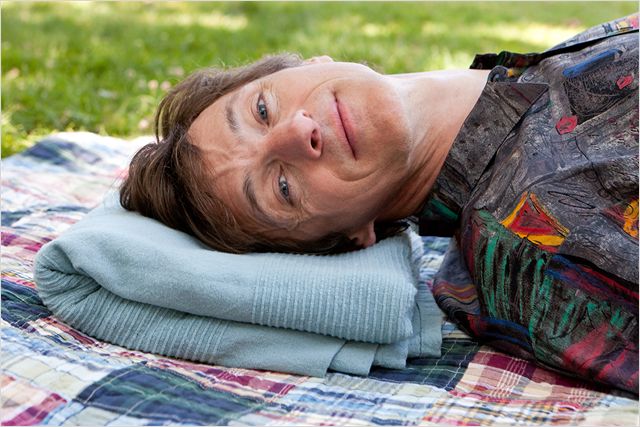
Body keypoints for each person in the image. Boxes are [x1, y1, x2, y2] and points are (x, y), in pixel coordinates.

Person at [120, 15, 639, 394]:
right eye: (282, 187)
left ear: (309, 64)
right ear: (352, 240)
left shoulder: (531, 83)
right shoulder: (533, 240)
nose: (298, 133)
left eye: (262, 109)